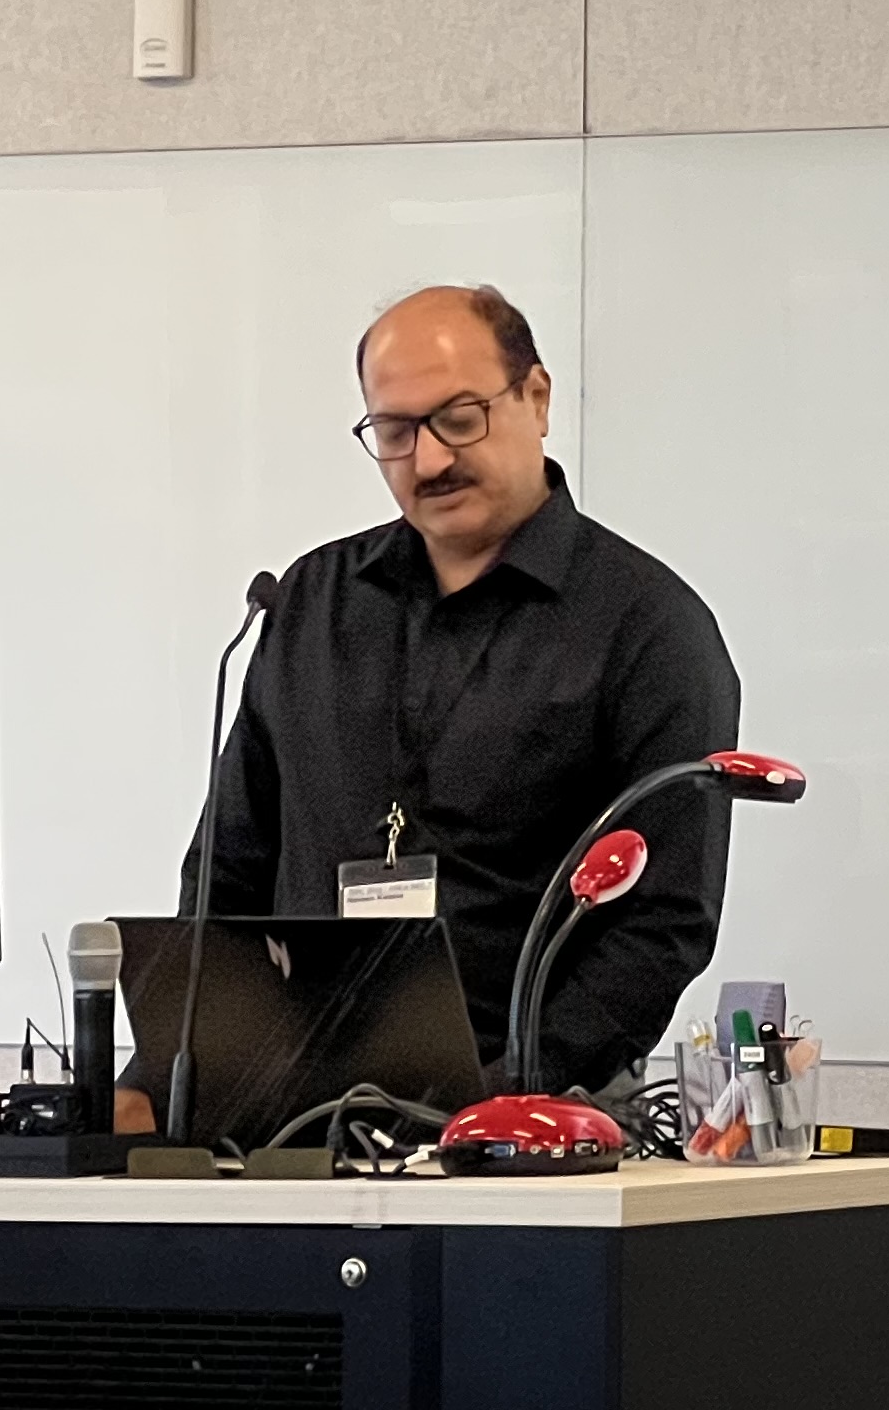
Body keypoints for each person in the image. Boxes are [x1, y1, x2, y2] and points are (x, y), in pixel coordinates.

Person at [123, 284, 741, 1125]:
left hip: (538, 1119)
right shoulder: (309, 603)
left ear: (537, 397)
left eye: (458, 418)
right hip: (294, 1115)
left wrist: (495, 1098)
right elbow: (226, 873)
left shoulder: (648, 629)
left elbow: (662, 925)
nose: (429, 461)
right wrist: (169, 1072)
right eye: (395, 432)